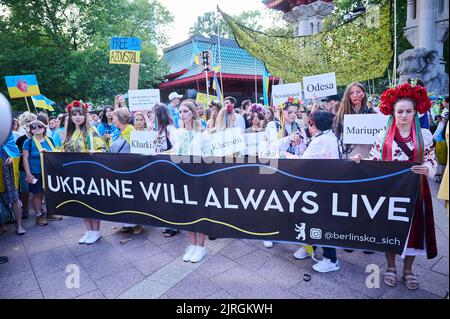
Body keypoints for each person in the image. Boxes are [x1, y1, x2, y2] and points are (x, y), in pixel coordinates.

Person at [352, 82, 437, 290]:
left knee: (413, 231)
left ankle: (408, 270)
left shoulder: (424, 136)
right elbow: (374, 160)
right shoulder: (383, 137)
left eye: (409, 111)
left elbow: (431, 159)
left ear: (415, 112)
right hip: (391, 191)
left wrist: (427, 168)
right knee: (390, 230)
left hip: (416, 190)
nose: (404, 115)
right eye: (400, 111)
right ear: (393, 112)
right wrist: (359, 160)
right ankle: (391, 267)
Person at [293, 111, 341, 273]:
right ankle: (309, 248)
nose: (307, 127)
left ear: (314, 125)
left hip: (322, 187)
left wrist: (286, 156)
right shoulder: (327, 137)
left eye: (309, 124)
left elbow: (303, 162)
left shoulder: (322, 141)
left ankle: (331, 259)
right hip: (319, 185)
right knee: (310, 218)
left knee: (322, 222)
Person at [63, 100, 106, 244]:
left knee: (92, 202)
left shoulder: (91, 131)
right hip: (75, 173)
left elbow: (102, 149)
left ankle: (96, 231)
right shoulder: (69, 133)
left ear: (85, 115)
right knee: (81, 203)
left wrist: (96, 152)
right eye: (74, 114)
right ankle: (88, 231)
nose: (77, 117)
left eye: (80, 114)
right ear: (70, 116)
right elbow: (63, 151)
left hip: (89, 172)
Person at [174, 99, 206, 263]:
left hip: (198, 177)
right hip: (182, 176)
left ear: (193, 113)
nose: (182, 114)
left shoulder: (201, 134)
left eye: (186, 111)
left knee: (199, 212)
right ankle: (191, 245)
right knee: (187, 211)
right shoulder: (177, 133)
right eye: (180, 111)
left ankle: (201, 246)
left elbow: (207, 157)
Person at [110, 108, 144, 235]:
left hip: (132, 170)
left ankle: (138, 223)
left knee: (134, 198)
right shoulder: (119, 132)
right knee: (123, 197)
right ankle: (127, 223)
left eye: (114, 117)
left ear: (121, 119)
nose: (112, 119)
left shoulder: (132, 132)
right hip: (119, 169)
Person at [22, 119, 61, 226]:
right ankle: (38, 216)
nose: (37, 129)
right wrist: (28, 174)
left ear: (44, 128)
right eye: (33, 127)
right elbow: (25, 159)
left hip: (49, 171)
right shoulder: (28, 142)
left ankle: (50, 213)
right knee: (38, 194)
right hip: (36, 172)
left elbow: (55, 154)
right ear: (31, 130)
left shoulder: (50, 140)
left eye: (39, 126)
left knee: (50, 192)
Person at [334, 82, 376, 159]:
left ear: (363, 94)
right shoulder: (341, 116)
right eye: (351, 93)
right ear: (348, 96)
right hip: (350, 155)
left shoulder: (372, 113)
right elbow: (335, 138)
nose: (355, 95)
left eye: (358, 92)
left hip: (368, 155)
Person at [0, 132, 26, 235]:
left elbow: (12, 148)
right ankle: (2, 225)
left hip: (7, 166)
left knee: (14, 197)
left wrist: (12, 157)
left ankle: (19, 225)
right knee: (1, 199)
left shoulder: (5, 129)